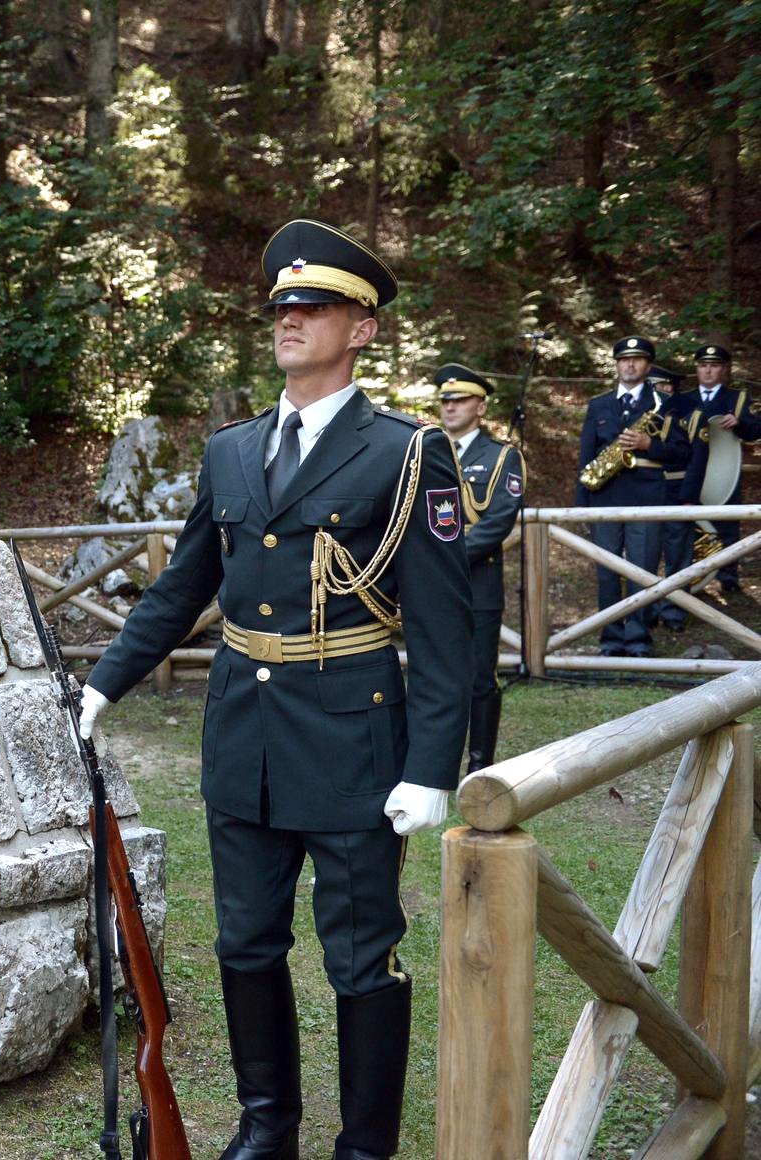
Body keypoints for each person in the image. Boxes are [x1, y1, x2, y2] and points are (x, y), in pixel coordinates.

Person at [76, 219, 471, 1160]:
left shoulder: (406, 453)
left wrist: (431, 769)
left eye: (316, 305)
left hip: (350, 742)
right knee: (246, 946)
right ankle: (268, 1130)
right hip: (243, 740)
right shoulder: (232, 451)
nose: (291, 320)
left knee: (358, 956)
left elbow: (448, 636)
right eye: (282, 307)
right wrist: (105, 683)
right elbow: (183, 586)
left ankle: (365, 1146)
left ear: (363, 328)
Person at [575, 337, 691, 657]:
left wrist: (648, 445)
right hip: (604, 497)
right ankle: (611, 639)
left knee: (643, 570)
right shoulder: (598, 404)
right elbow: (585, 457)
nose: (630, 364)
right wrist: (580, 507)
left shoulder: (666, 404)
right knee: (607, 573)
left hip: (647, 497)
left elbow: (683, 452)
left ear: (648, 366)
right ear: (616, 364)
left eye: (638, 359)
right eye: (624, 359)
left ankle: (639, 639)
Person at [436, 364, 523, 773]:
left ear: (481, 406)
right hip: (431, 582)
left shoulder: (502, 456)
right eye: (446, 400)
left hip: (477, 582)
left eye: (461, 400)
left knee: (479, 677)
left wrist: (444, 559)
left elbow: (498, 521)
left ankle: (479, 763)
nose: (450, 407)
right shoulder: (426, 451)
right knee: (433, 674)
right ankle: (435, 758)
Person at [677, 345, 761, 597]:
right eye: (703, 365)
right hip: (690, 470)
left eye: (714, 365)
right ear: (697, 369)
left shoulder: (738, 398)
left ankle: (728, 576)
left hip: (725, 468)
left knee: (726, 524)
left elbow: (756, 429)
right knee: (692, 524)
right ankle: (694, 575)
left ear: (723, 369)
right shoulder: (683, 398)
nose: (708, 370)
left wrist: (740, 423)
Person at [645, 364, 694, 630]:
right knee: (645, 557)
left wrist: (650, 446)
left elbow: (687, 454)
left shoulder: (681, 415)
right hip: (643, 492)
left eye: (661, 386)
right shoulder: (635, 412)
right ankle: (647, 610)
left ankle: (675, 611)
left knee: (677, 555)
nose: (658, 390)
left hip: (675, 490)